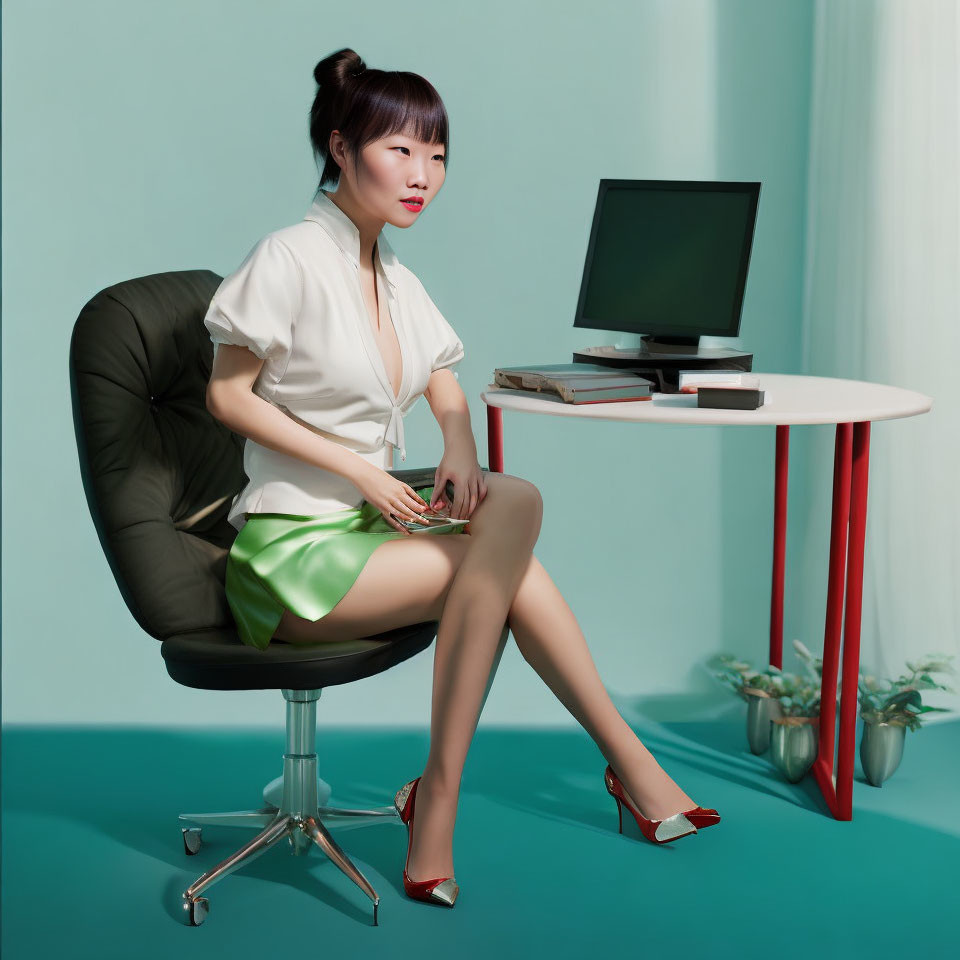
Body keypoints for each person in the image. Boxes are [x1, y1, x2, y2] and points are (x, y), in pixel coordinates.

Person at [204, 46, 718, 909]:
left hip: (366, 538)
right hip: (293, 556)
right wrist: (357, 474)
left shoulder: (391, 273)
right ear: (340, 146)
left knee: (505, 516)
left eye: (437, 156)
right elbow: (226, 397)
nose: (423, 176)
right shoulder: (289, 255)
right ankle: (473, 791)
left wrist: (457, 440)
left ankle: (534, 780)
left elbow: (441, 371)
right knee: (511, 537)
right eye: (400, 151)